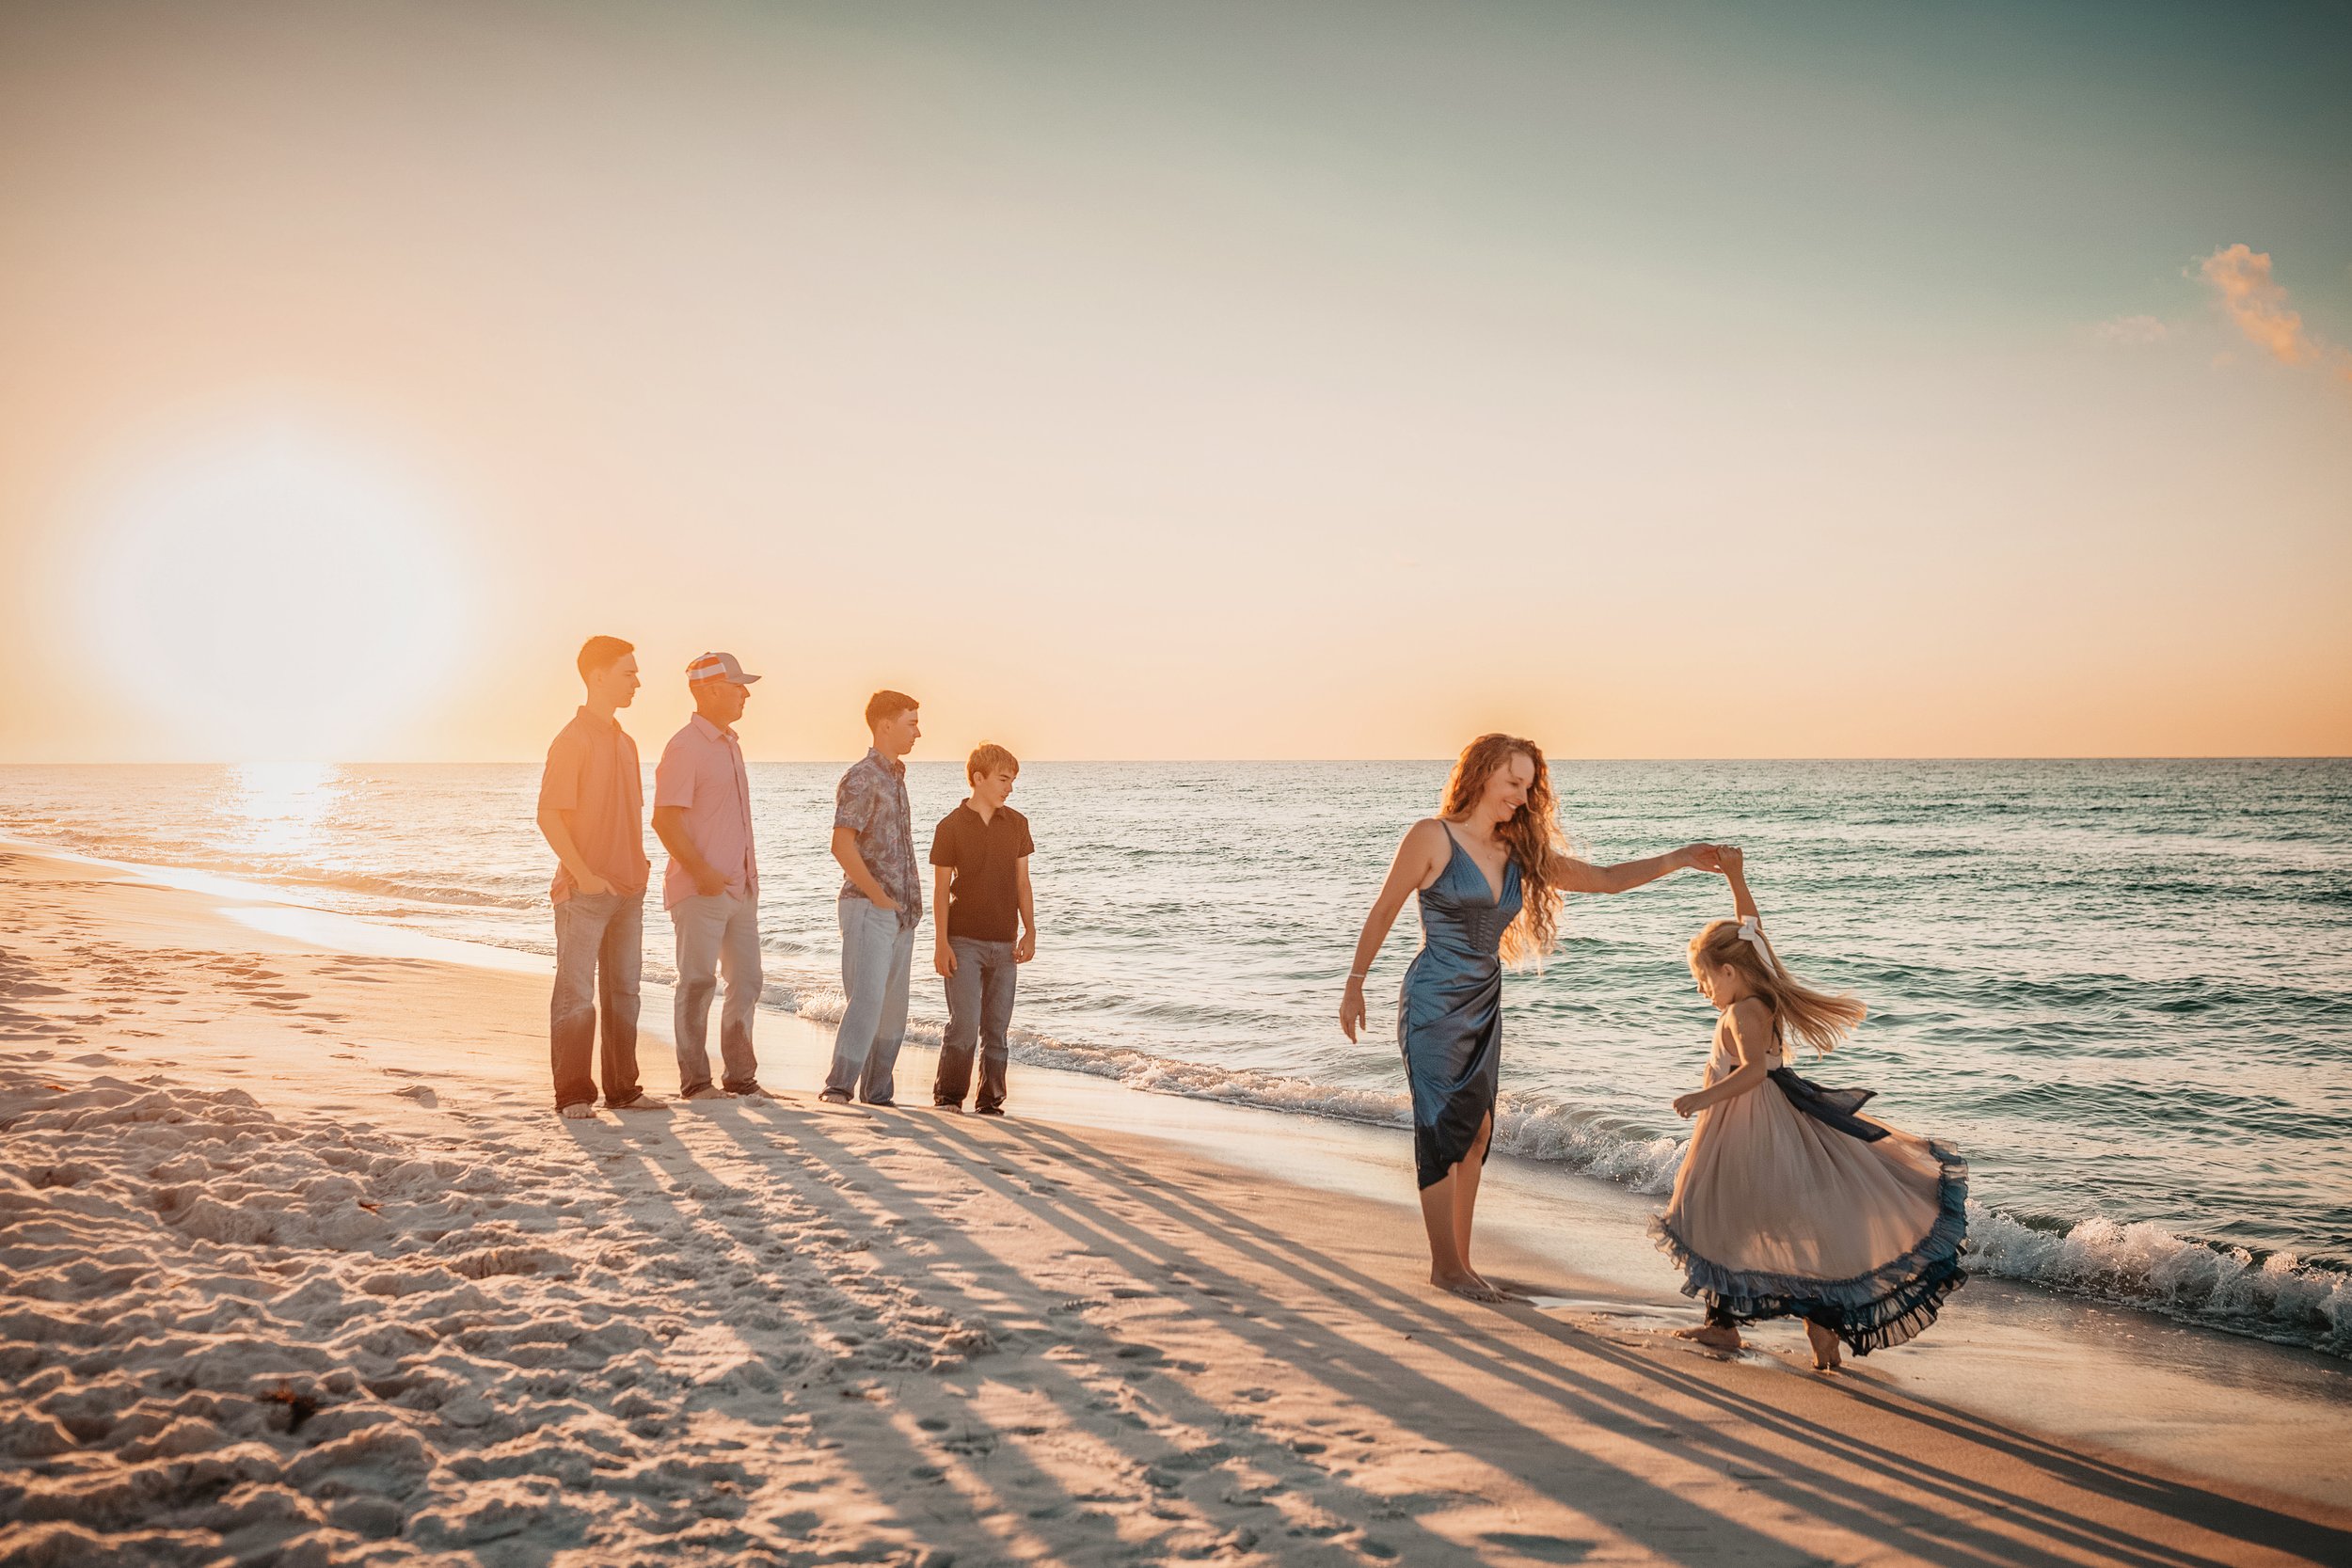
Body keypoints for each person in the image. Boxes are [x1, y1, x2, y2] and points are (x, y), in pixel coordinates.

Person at [1341, 734, 1720, 1302]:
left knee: (1478, 1132)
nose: (1522, 795)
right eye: (1513, 782)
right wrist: (1355, 984)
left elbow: (1606, 879)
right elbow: (1385, 908)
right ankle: (1444, 1267)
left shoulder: (1519, 855)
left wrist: (1680, 859)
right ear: (1481, 775)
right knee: (1442, 1127)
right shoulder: (1432, 837)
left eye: (1528, 785)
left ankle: (1462, 1265)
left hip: (1484, 1000)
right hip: (1433, 1001)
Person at [1653, 847, 1968, 1370]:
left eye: (1704, 980)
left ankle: (1759, 1324)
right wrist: (1736, 877)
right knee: (1746, 1216)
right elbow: (1751, 930)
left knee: (1720, 1214)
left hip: (1748, 1125)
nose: (1701, 989)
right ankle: (1779, 1322)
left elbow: (1752, 1071)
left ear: (1729, 972)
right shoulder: (1759, 994)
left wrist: (1699, 1098)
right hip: (1767, 1117)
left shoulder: (1740, 1012)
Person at [536, 636, 667, 1120]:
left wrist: (638, 870)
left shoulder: (626, 742)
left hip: (628, 890)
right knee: (576, 995)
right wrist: (585, 876)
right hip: (584, 893)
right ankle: (572, 1094)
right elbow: (549, 815)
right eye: (628, 672)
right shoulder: (572, 740)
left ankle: (623, 1090)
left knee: (624, 994)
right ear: (597, 677)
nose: (637, 681)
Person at [652, 651, 771, 1101]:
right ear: (708, 690)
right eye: (737, 685)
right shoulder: (685, 745)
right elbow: (665, 819)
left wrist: (743, 879)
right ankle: (696, 1082)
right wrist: (701, 873)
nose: (745, 694)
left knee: (748, 980)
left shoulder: (730, 743)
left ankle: (740, 1078)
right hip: (701, 889)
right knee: (698, 981)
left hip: (740, 888)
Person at [820, 690, 925, 1106]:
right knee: (866, 1001)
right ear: (886, 725)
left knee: (893, 1010)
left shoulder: (896, 777)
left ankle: (878, 1093)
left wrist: (903, 907)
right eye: (911, 722)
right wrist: (879, 897)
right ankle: (839, 1087)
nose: (919, 732)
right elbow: (842, 845)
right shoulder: (862, 777)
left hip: (900, 914)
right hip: (868, 907)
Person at [929, 742, 1036, 1116]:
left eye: (1012, 780)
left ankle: (990, 1102)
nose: (1009, 788)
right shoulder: (950, 827)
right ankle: (949, 1098)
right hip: (963, 941)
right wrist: (940, 943)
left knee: (996, 1029)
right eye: (1004, 779)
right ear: (979, 778)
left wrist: (1030, 931)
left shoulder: (1018, 824)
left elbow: (1023, 883)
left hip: (1005, 944)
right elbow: (941, 891)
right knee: (964, 1024)